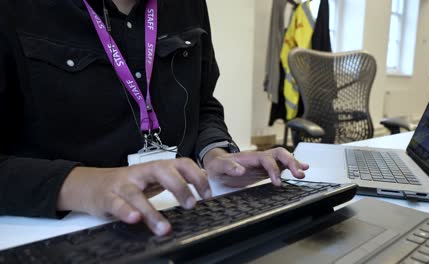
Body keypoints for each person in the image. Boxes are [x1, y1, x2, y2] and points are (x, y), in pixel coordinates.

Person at [0, 0, 308, 237]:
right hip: (51, 232)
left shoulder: (189, 5)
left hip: (182, 217)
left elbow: (202, 106)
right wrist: (87, 186)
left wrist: (216, 155)